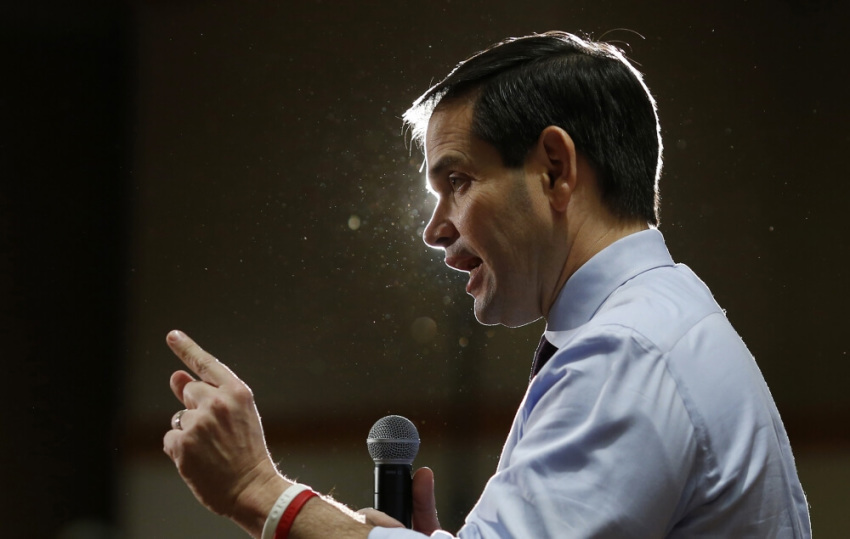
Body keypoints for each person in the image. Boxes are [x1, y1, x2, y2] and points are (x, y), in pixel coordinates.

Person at [162, 31, 812, 538]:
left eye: (457, 182)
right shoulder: (665, 319)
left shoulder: (626, 352)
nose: (434, 230)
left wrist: (256, 487)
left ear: (555, 169)